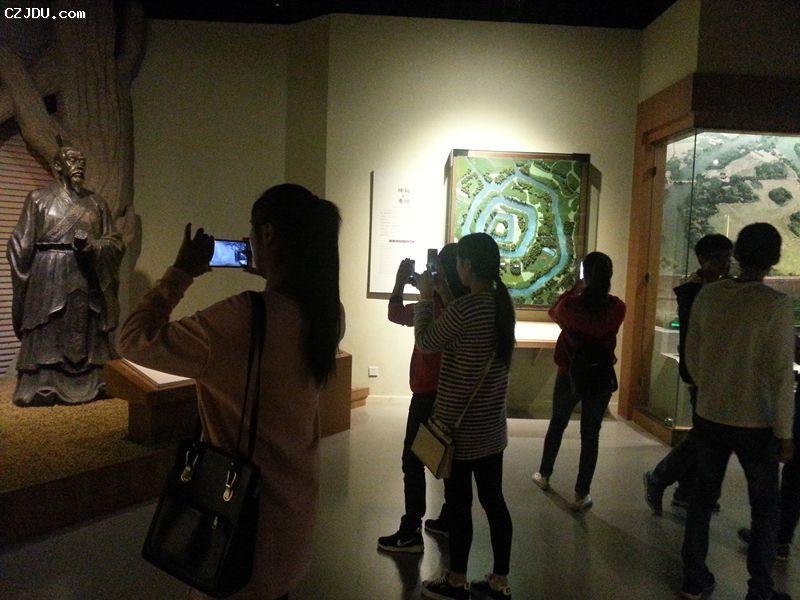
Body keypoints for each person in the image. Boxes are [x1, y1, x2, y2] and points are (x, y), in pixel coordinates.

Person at [118, 184, 342, 600]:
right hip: (292, 523)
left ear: (268, 234)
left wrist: (180, 272)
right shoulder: (328, 315)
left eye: (253, 232)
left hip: (239, 526)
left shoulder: (243, 320)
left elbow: (132, 339)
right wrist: (272, 266)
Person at [679, 223, 794, 600]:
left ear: (737, 254)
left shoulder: (710, 295)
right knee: (764, 508)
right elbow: (781, 375)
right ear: (774, 259)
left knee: (701, 499)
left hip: (710, 414)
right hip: (756, 421)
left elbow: (693, 356)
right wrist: (785, 432)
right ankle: (760, 588)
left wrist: (711, 388)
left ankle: (693, 577)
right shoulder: (775, 305)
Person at [415, 232, 515, 600]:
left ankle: (456, 580)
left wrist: (425, 298)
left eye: (459, 262)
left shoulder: (466, 310)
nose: (456, 268)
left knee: (459, 506)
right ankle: (499, 580)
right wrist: (444, 293)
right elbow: (467, 322)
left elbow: (426, 341)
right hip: (491, 431)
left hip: (459, 434)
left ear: (468, 265)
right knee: (494, 502)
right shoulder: (501, 305)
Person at [7, 140, 124, 405]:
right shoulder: (38, 199)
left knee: (89, 326)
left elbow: (115, 241)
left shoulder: (96, 203)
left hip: (87, 271)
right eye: (72, 160)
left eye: (82, 161)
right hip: (48, 272)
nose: (79, 166)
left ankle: (96, 381)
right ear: (57, 166)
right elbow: (21, 242)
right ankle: (43, 384)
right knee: (47, 324)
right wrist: (22, 270)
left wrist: (95, 247)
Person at [378, 244, 469, 553]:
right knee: (450, 458)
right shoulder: (464, 308)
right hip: (453, 394)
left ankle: (411, 531)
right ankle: (449, 519)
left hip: (427, 393)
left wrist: (400, 283)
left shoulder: (434, 307)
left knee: (412, 459)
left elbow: (396, 314)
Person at [644, 234, 733, 514]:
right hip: (703, 372)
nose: (726, 263)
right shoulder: (694, 292)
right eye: (720, 258)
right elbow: (692, 338)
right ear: (704, 260)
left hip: (712, 371)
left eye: (728, 257)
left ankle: (683, 489)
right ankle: (662, 477)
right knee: (705, 434)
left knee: (705, 433)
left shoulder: (709, 289)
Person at [532, 251, 626, 511]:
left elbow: (554, 311)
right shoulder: (617, 308)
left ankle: (544, 473)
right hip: (600, 375)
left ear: (584, 275)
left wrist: (576, 287)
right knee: (590, 435)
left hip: (569, 374)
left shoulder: (571, 307)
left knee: (557, 424)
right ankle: (581, 492)